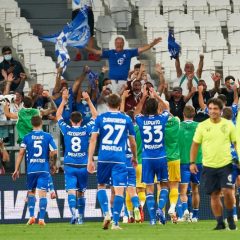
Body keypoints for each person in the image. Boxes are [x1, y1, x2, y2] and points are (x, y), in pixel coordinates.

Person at [87, 94, 137, 230]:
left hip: (104, 158)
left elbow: (93, 140)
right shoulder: (126, 119)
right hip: (120, 159)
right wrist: (134, 157)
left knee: (101, 186)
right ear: (120, 103)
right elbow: (132, 142)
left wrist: (90, 159)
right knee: (119, 190)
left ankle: (106, 213)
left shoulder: (100, 118)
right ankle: (115, 222)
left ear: (107, 104)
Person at [190, 98, 237, 230]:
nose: (212, 111)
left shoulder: (228, 125)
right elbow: (195, 145)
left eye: (215, 109)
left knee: (228, 191)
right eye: (210, 109)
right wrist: (192, 162)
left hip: (226, 164)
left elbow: (236, 143)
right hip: (208, 166)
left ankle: (230, 218)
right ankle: (220, 223)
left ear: (221, 111)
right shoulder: (202, 126)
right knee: (214, 195)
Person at [56, 89, 97, 225]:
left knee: (71, 191)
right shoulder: (86, 130)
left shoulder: (66, 129)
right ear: (81, 120)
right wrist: (88, 100)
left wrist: (63, 100)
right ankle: (80, 217)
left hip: (70, 165)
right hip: (83, 165)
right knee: (81, 193)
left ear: (71, 120)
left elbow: (58, 116)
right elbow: (95, 116)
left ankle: (73, 213)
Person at [12, 115, 57, 226]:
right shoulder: (47, 136)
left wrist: (16, 169)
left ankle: (32, 217)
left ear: (32, 124)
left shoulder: (27, 137)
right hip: (43, 169)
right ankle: (41, 219)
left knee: (31, 193)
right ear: (41, 123)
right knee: (42, 194)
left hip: (31, 170)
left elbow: (21, 153)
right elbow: (54, 151)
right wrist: (53, 164)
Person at [134, 86, 169, 225]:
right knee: (164, 185)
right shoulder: (161, 118)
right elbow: (166, 108)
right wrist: (156, 95)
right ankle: (160, 208)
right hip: (161, 157)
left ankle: (153, 219)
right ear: (156, 108)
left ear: (145, 109)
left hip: (147, 158)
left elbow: (136, 112)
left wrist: (143, 96)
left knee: (149, 188)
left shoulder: (141, 120)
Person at [86, 36, 161, 93]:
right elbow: (96, 52)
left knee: (121, 97)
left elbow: (141, 49)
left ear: (123, 44)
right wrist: (86, 47)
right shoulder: (110, 52)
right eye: (117, 43)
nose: (119, 44)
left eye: (121, 43)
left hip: (123, 81)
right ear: (115, 44)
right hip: (112, 81)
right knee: (113, 98)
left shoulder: (128, 52)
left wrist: (152, 44)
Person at [179, 106, 202, 222]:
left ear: (183, 113)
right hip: (197, 162)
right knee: (195, 189)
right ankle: (195, 216)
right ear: (194, 114)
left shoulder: (178, 126)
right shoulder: (200, 126)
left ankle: (185, 213)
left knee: (183, 191)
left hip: (183, 162)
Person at [164, 112, 181, 223]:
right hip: (174, 158)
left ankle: (160, 214)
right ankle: (172, 207)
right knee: (174, 185)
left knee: (162, 187)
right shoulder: (176, 121)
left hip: (162, 158)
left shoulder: (159, 123)